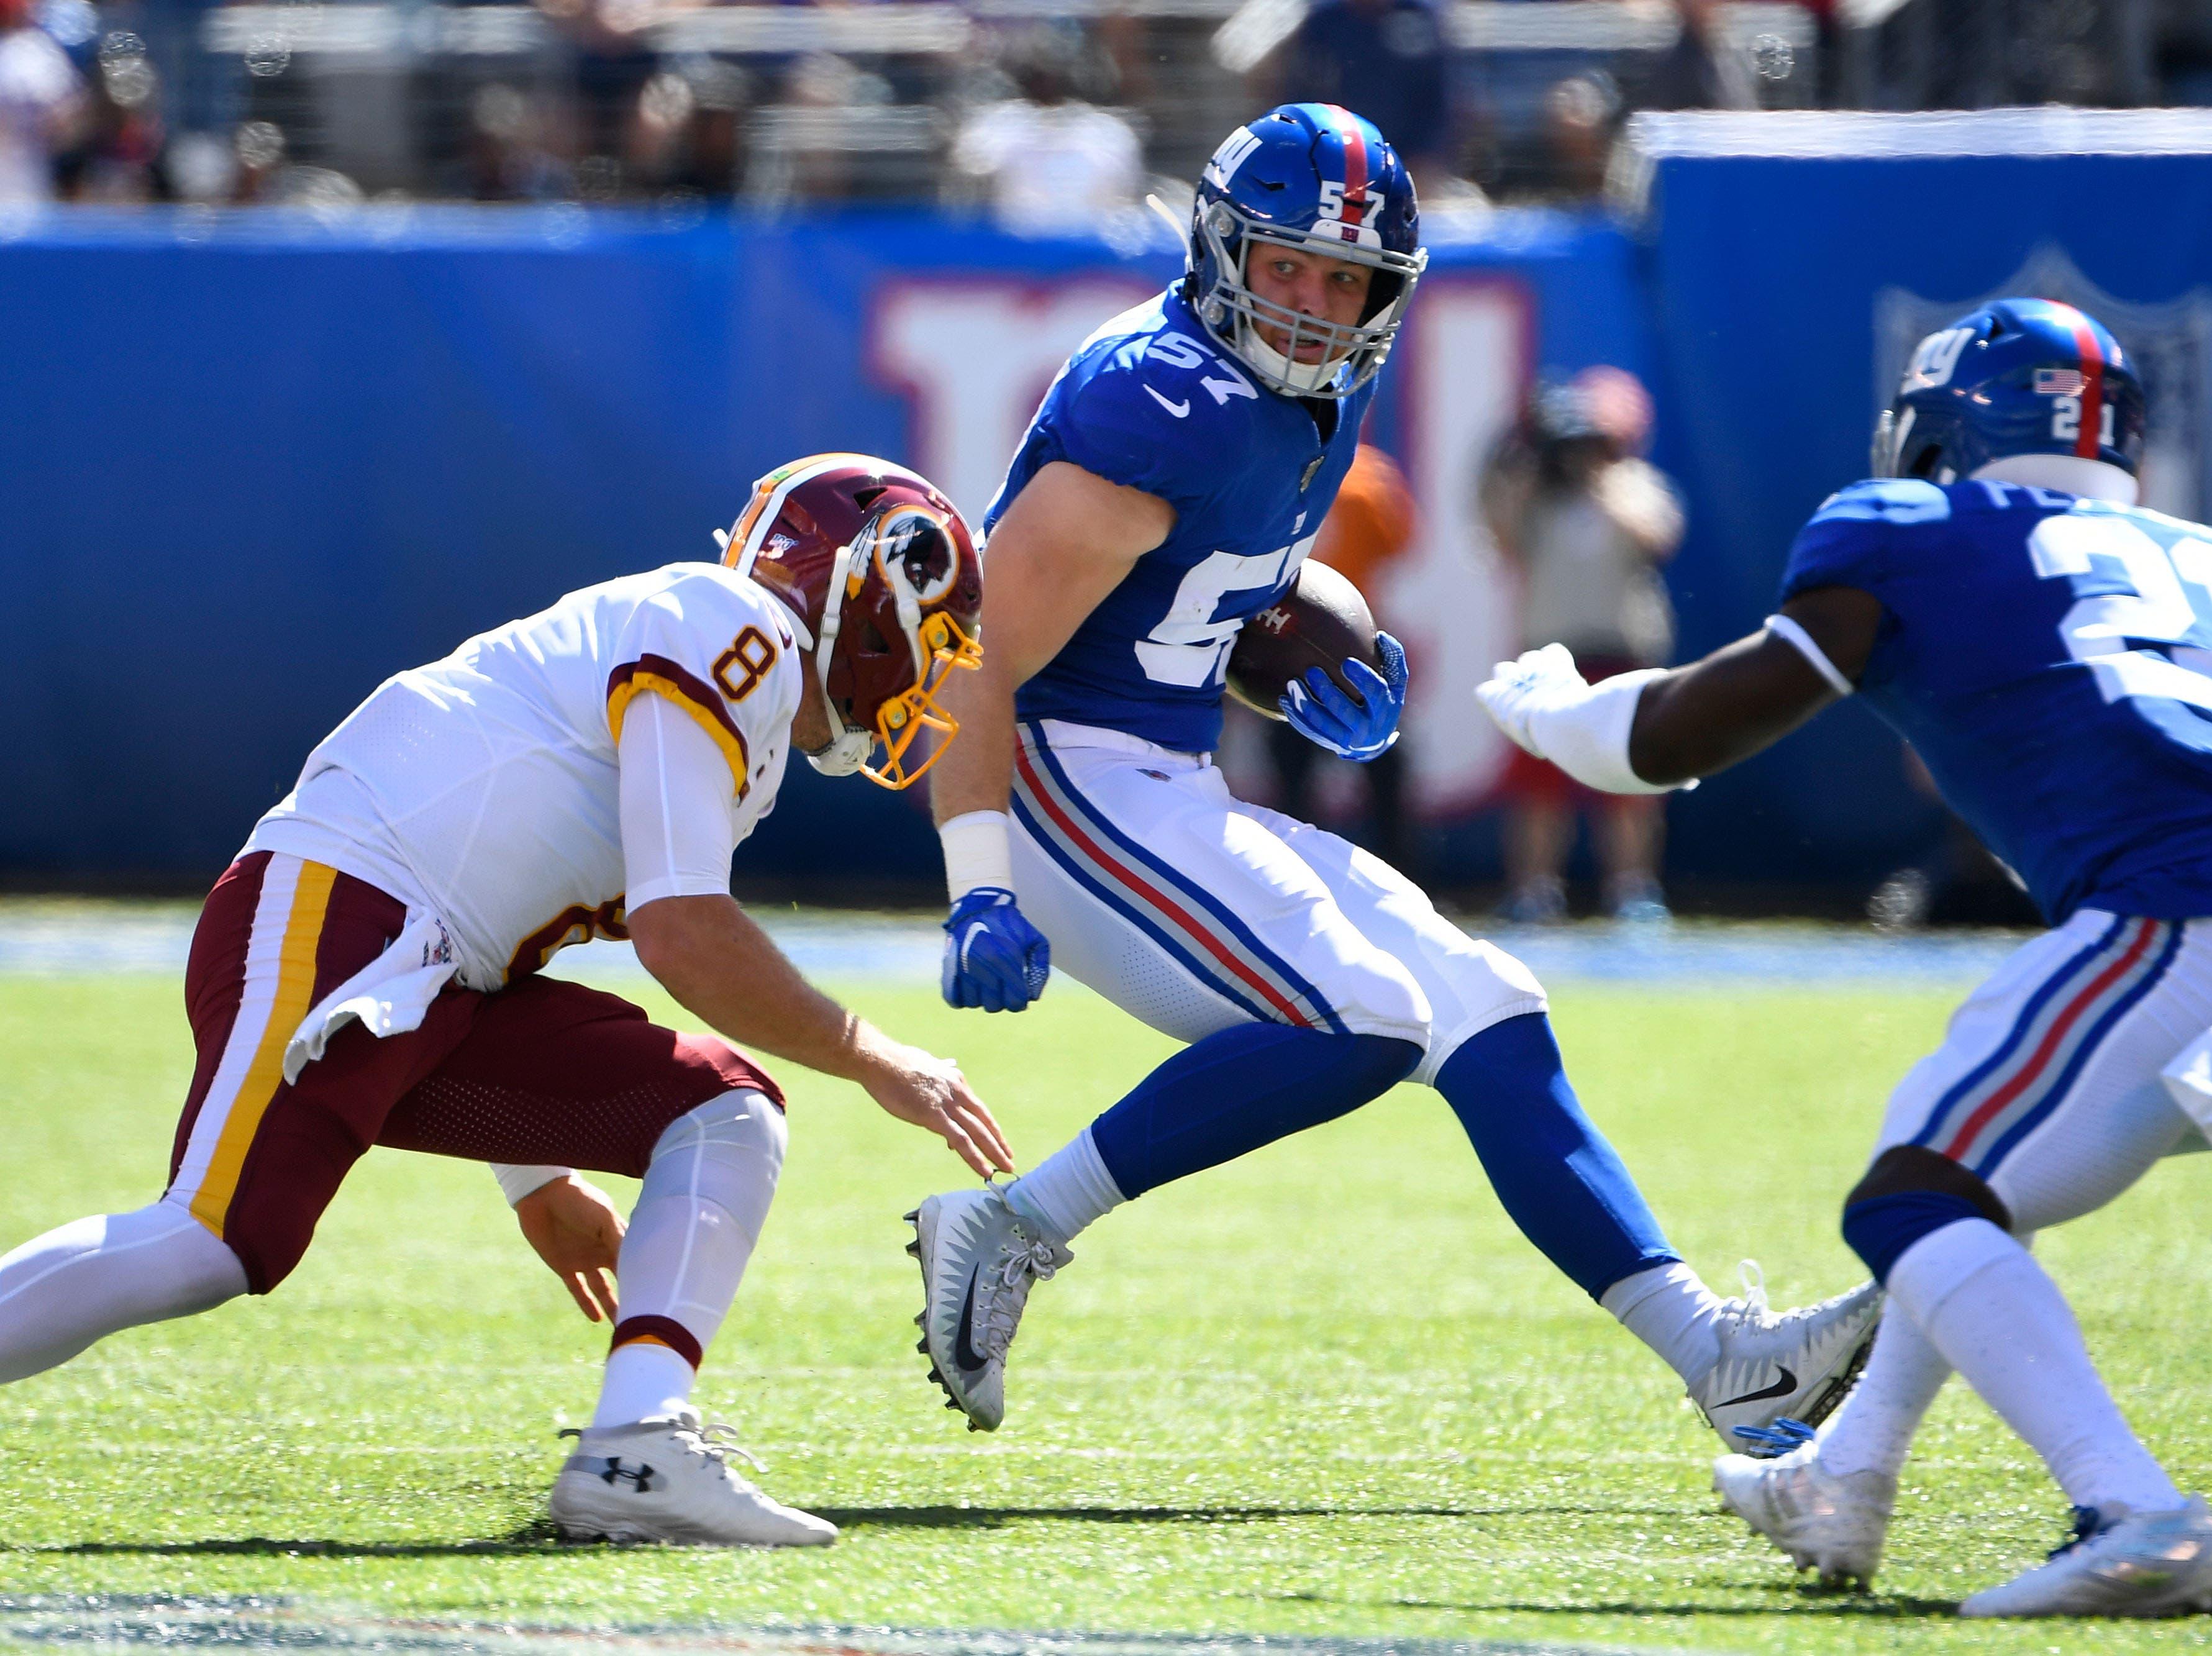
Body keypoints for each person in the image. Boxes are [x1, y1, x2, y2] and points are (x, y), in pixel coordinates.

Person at [902, 103, 1878, 1458]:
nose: (1310, 303)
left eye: (1342, 278)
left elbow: (1199, 597)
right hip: (1058, 780)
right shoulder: (1157, 400)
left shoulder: (1314, 391)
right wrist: (978, 882)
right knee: (1358, 1016)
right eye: (1285, 267)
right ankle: (1010, 1220)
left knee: (1485, 999)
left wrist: (1282, 659)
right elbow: (976, 659)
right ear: (1220, 252)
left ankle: (1718, 1357)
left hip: (1162, 771)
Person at [0, 455, 1014, 1549]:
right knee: (216, 1237)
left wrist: (534, 1175)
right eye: (936, 635)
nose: (931, 671)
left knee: (720, 1110)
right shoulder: (728, 624)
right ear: (868, 587)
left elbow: (500, 886)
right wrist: (869, 1053)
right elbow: (683, 932)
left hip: (426, 964)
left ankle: (638, 1447)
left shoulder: (743, 692)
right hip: (336, 907)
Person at [1478, 299, 2212, 1617]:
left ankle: (2131, 1507)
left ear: (1951, 426)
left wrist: (1553, 711)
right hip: (2174, 916)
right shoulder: (2192, 553)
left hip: (2173, 917)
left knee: (1917, 1193)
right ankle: (1843, 1476)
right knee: (1974, 1193)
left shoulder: (1911, 530)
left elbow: (1675, 736)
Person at [1481, 366, 1683, 923]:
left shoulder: (1633, 483)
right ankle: (1534, 890)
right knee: (1540, 786)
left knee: (1630, 782)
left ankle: (1633, 891)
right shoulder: (1537, 495)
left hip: (1621, 649)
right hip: (1550, 654)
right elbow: (1498, 534)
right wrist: (1524, 462)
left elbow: (1658, 535)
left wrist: (1599, 476)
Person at [1266, 440, 1419, 871]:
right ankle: (1399, 867)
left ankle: (1291, 871)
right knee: (1382, 765)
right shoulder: (1369, 477)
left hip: (1279, 642)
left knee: (1293, 770)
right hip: (1354, 649)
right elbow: (1397, 545)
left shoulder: (1276, 470)